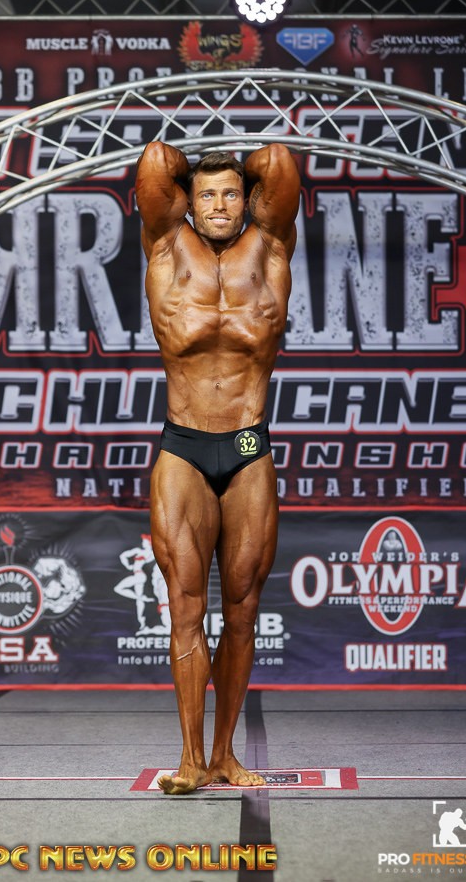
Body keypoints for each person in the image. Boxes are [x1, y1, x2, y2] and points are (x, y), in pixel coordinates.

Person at [135, 140, 300, 794]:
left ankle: (226, 755)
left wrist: (237, 164)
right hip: (184, 447)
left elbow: (278, 160)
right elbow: (154, 161)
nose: (221, 205)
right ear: (189, 203)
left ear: (248, 199)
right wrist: (191, 166)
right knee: (185, 607)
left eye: (231, 192)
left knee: (242, 608)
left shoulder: (272, 246)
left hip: (248, 447)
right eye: (207, 194)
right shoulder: (165, 245)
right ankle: (189, 759)